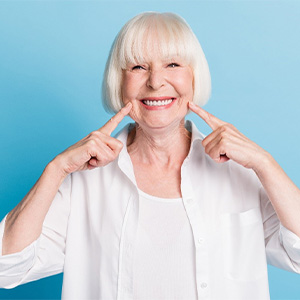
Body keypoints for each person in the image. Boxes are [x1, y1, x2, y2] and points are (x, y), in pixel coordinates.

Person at [0, 11, 300, 300]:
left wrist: (265, 163)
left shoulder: (240, 173)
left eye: (172, 64)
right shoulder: (82, 182)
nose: (156, 81)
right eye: (138, 67)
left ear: (195, 77)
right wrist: (56, 168)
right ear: (119, 81)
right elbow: (6, 269)